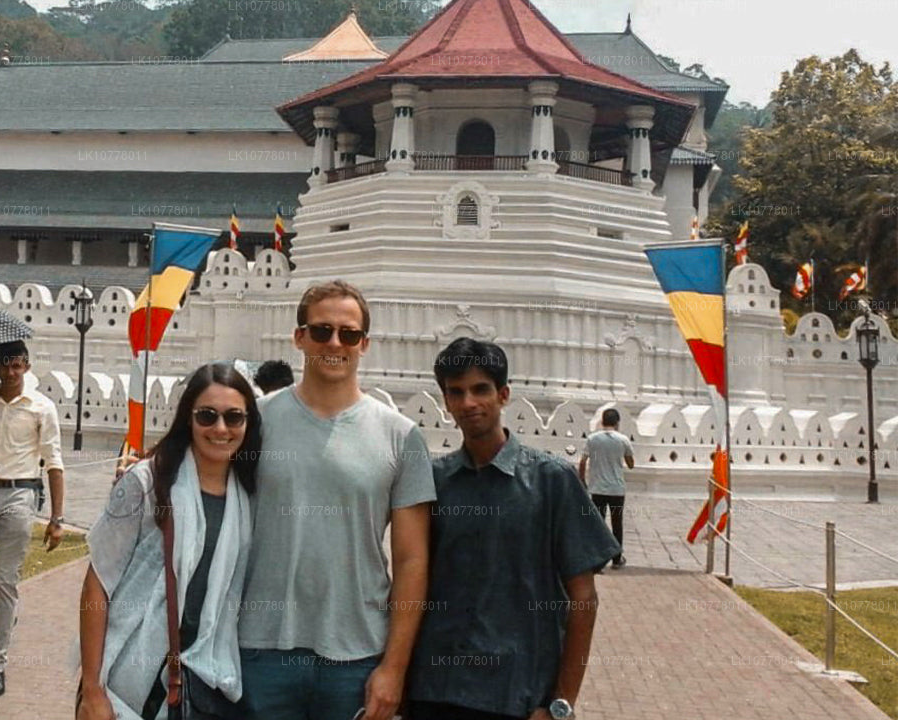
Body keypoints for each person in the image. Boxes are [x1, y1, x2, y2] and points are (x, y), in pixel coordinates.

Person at [239, 280, 435, 720]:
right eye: (321, 330)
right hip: (259, 648)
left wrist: (394, 668)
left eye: (348, 334)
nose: (334, 343)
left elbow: (411, 561)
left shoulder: (400, 436)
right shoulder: (253, 424)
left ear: (364, 344)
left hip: (357, 654)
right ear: (299, 337)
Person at [407, 338, 620, 720]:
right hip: (436, 689)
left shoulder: (552, 480)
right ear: (445, 402)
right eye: (456, 392)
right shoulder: (435, 482)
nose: (469, 402)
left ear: (503, 395)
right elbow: (413, 581)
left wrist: (561, 703)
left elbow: (584, 599)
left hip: (517, 695)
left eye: (480, 389)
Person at [78, 362, 260, 720]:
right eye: (207, 416)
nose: (220, 428)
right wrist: (92, 689)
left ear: (248, 423)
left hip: (206, 680)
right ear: (187, 419)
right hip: (129, 680)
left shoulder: (249, 496)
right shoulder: (147, 483)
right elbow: (98, 582)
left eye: (234, 417)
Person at [0, 339, 66, 698]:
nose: (10, 372)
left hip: (20, 494)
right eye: (4, 365)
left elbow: (54, 462)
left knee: (5, 580)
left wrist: (57, 518)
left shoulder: (41, 407)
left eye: (17, 365)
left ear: (26, 366)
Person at [579, 408, 635, 569]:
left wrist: (582, 480)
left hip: (597, 488)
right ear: (617, 423)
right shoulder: (623, 440)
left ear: (602, 422)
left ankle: (597, 561)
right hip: (616, 489)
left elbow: (583, 461)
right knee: (617, 524)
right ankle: (617, 559)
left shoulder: (592, 439)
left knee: (598, 524)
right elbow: (631, 464)